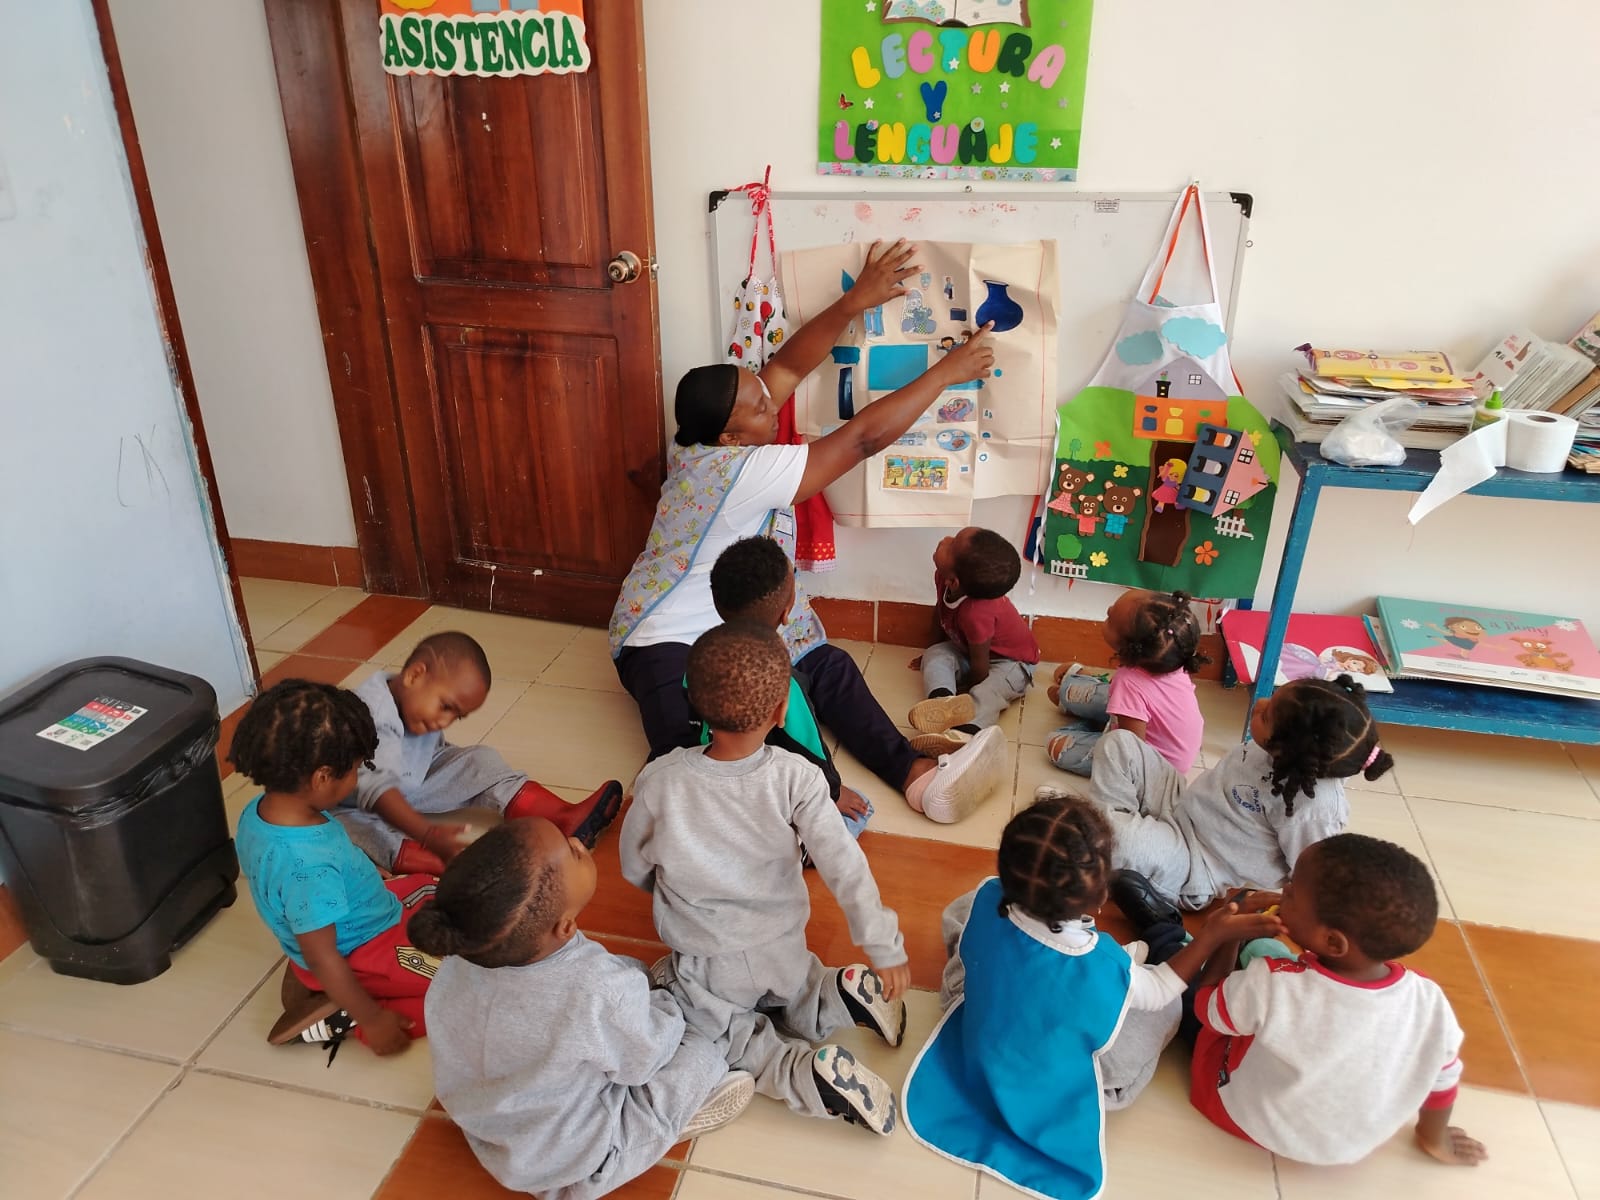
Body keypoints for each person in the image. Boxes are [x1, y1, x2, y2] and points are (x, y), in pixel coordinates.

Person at [608, 238, 1006, 823]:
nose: (772, 405)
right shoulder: (739, 470)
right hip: (665, 637)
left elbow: (789, 367)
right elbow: (862, 439)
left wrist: (854, 301)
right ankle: (766, 814)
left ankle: (917, 777)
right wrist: (949, 371)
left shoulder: (704, 438)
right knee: (688, 749)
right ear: (731, 438)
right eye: (758, 407)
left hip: (743, 617)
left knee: (827, 667)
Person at [902, 797, 1282, 1199]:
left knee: (965, 910)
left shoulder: (989, 893)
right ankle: (1162, 940)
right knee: (1166, 1007)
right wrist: (1211, 936)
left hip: (980, 1033)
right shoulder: (1102, 964)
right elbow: (1160, 991)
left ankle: (1141, 951)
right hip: (1051, 1078)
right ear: (1100, 897)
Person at [620, 623, 911, 1135]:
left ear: (692, 701)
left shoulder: (659, 780)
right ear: (781, 710)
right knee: (796, 988)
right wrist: (882, 945)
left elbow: (633, 864)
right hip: (784, 942)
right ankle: (837, 994)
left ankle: (803, 1073)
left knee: (729, 1034)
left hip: (709, 959)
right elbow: (845, 866)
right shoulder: (799, 777)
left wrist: (668, 897)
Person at [415, 818, 754, 1200]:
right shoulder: (594, 987)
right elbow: (646, 1059)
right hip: (570, 1152)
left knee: (621, 1007)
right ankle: (622, 1155)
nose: (578, 842)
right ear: (564, 927)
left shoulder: (459, 959)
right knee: (702, 1047)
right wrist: (662, 1002)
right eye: (572, 852)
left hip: (487, 1125)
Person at [1121, 834, 1487, 1169]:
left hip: (1238, 1114)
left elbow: (1209, 1006)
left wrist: (1224, 936)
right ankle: (1250, 940)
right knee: (1272, 957)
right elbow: (1444, 1073)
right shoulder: (1428, 999)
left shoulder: (1274, 982)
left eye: (1293, 891)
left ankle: (1164, 931)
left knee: (1185, 994)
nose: (1284, 889)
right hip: (1346, 1147)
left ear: (1333, 942)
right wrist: (1434, 1137)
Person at [229, 679, 438, 1061]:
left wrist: (364, 871)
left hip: (346, 922)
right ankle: (347, 1013)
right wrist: (374, 1021)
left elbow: (319, 870)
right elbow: (323, 953)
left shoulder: (261, 813)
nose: (358, 777)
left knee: (431, 886)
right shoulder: (307, 867)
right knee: (457, 990)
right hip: (360, 948)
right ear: (322, 777)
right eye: (356, 768)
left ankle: (315, 978)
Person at [1086, 674, 1396, 911]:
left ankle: (1111, 836)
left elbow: (1311, 872)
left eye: (1267, 716)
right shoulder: (1284, 750)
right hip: (1180, 807)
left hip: (1197, 863)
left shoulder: (1314, 808)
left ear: (1289, 749)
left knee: (1122, 839)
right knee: (1120, 744)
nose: (1259, 704)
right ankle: (1111, 834)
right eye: (1271, 700)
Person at [340, 630, 622, 874]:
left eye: (457, 716)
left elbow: (434, 754)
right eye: (446, 707)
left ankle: (562, 816)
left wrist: (466, 772)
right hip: (356, 802)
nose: (445, 721)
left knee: (480, 759)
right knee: (355, 831)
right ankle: (446, 863)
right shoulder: (374, 715)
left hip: (409, 780)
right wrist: (428, 834)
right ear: (415, 675)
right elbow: (377, 790)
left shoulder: (415, 703)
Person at [706, 535, 870, 838]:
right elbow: (809, 747)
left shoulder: (699, 663)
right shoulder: (782, 681)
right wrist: (833, 792)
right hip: (765, 802)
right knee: (862, 809)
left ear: (717, 604)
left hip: (710, 793)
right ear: (786, 613)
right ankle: (803, 850)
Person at [1037, 589, 1208, 783]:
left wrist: (1105, 734)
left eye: (1110, 618)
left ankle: (1091, 717)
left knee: (1055, 744)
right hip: (1143, 728)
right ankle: (1080, 698)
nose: (1108, 609)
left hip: (1149, 769)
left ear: (1129, 647)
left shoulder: (1128, 682)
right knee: (1074, 693)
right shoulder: (1172, 659)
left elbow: (1128, 751)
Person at [907, 527, 1040, 755]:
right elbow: (940, 613)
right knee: (936, 655)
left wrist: (970, 689)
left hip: (1012, 664)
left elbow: (980, 665)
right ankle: (942, 703)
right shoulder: (944, 578)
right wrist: (929, 652)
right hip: (968, 650)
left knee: (987, 692)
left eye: (952, 545)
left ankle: (964, 732)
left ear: (955, 581)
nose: (946, 539)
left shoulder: (977, 612)